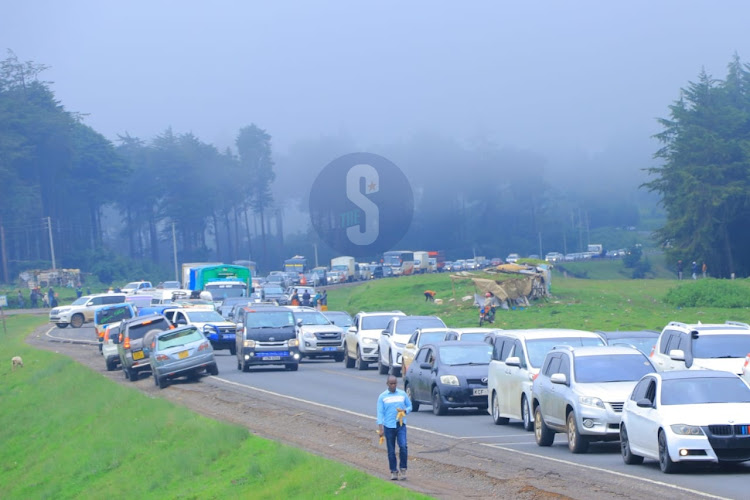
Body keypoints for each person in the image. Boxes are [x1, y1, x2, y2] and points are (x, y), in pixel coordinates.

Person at [376, 375, 412, 481]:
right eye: (391, 383)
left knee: (403, 446)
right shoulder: (382, 397)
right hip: (388, 426)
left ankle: (403, 468)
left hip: (400, 425)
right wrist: (380, 428)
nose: (393, 385)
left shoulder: (402, 394)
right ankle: (393, 471)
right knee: (391, 450)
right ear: (387, 384)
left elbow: (410, 406)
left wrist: (405, 411)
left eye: (395, 383)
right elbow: (380, 413)